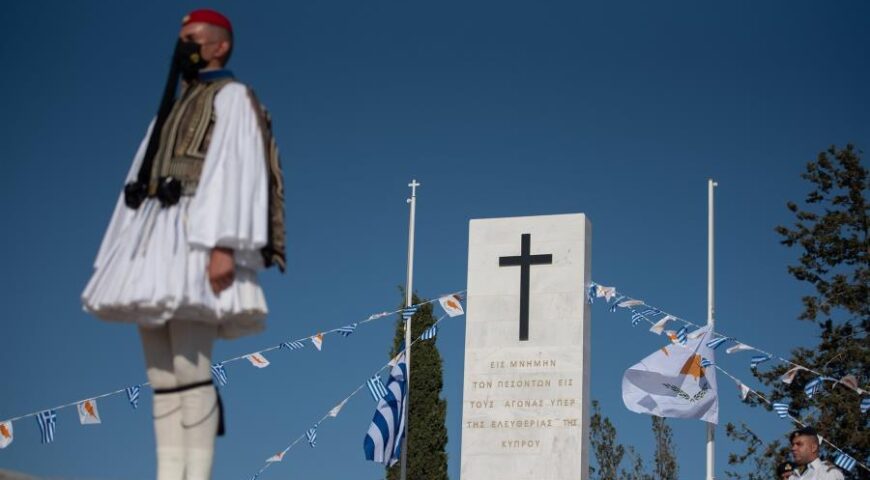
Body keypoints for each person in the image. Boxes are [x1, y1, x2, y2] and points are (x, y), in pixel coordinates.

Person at [82, 8, 285, 480]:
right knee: (160, 374)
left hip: (198, 237)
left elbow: (239, 171)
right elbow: (138, 178)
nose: (184, 46)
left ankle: (199, 473)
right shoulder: (170, 107)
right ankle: (169, 472)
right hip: (155, 240)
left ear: (220, 46)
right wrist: (121, 253)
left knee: (191, 364)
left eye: (193, 37)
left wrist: (224, 245)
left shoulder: (233, 97)